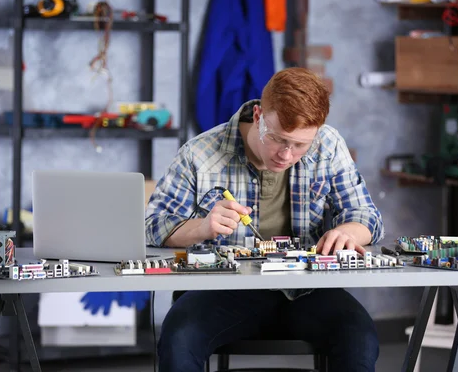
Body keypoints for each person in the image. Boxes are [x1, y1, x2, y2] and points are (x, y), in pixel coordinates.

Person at [145, 67, 385, 372]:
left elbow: (368, 217)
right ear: (258, 116)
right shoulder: (200, 153)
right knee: (178, 339)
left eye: (301, 145)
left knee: (360, 340)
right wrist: (202, 227)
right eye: (278, 139)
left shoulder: (329, 144)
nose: (286, 155)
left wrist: (349, 232)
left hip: (309, 290)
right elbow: (152, 225)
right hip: (223, 290)